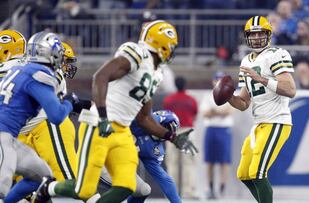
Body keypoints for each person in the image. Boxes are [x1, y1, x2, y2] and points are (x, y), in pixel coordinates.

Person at [32, 20, 197, 203]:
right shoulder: (137, 53)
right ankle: (48, 188)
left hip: (122, 131)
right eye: (171, 46)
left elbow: (144, 118)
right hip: (99, 124)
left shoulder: (156, 74)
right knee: (85, 191)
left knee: (128, 186)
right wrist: (103, 116)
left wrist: (172, 137)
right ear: (163, 44)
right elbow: (101, 76)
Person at [4, 42, 88, 203]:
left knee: (35, 178)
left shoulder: (18, 68)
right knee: (73, 183)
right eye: (66, 61)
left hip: (18, 131)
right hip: (20, 130)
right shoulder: (43, 74)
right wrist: (71, 103)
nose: (69, 67)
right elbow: (55, 113)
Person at [228, 16, 296, 203]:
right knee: (244, 173)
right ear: (247, 37)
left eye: (260, 33)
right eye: (253, 34)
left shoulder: (277, 54)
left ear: (269, 35)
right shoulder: (246, 61)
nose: (257, 37)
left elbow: (290, 90)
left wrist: (262, 79)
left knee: (257, 172)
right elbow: (243, 103)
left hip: (277, 121)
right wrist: (228, 97)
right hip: (259, 125)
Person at [99, 110, 182, 203]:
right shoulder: (138, 118)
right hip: (101, 158)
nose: (164, 134)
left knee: (143, 190)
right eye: (166, 129)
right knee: (125, 187)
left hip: (117, 166)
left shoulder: (154, 149)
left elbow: (164, 179)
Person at [163, 76, 198, 199]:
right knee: (188, 163)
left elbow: (166, 117)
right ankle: (188, 192)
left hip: (173, 132)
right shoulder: (191, 100)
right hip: (187, 131)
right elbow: (194, 115)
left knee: (172, 163)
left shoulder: (168, 100)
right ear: (185, 85)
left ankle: (173, 191)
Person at [200, 71, 234, 199]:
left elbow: (230, 111)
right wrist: (220, 112)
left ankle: (222, 188)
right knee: (210, 160)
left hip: (224, 130)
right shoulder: (208, 96)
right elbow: (205, 113)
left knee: (224, 161)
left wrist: (214, 111)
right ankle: (210, 187)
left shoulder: (230, 95)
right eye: (217, 79)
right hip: (211, 129)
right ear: (213, 81)